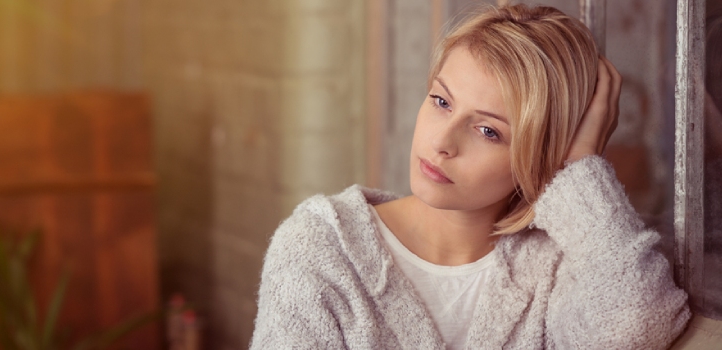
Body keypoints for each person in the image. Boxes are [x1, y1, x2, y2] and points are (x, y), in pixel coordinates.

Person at [250, 4, 691, 349]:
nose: (443, 141)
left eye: (488, 131)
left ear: (539, 155)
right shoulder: (323, 248)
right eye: (441, 101)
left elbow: (638, 323)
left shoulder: (554, 270)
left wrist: (578, 164)